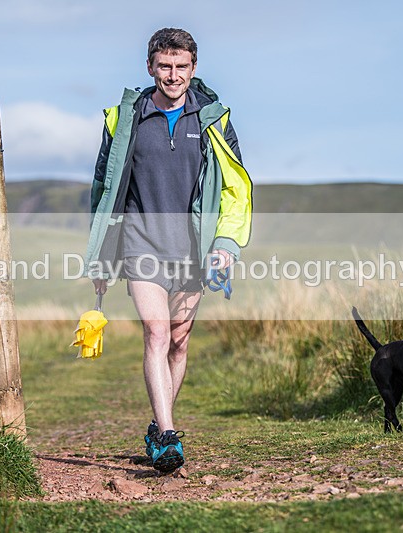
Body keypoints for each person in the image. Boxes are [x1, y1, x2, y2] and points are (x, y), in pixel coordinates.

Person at [84, 28, 252, 472]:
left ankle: (159, 426)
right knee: (157, 334)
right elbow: (103, 189)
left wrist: (225, 245)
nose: (173, 75)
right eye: (164, 66)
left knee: (179, 341)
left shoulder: (214, 120)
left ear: (193, 68)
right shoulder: (125, 120)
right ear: (150, 67)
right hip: (141, 243)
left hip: (194, 249)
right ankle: (168, 437)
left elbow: (236, 189)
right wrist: (101, 255)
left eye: (181, 67)